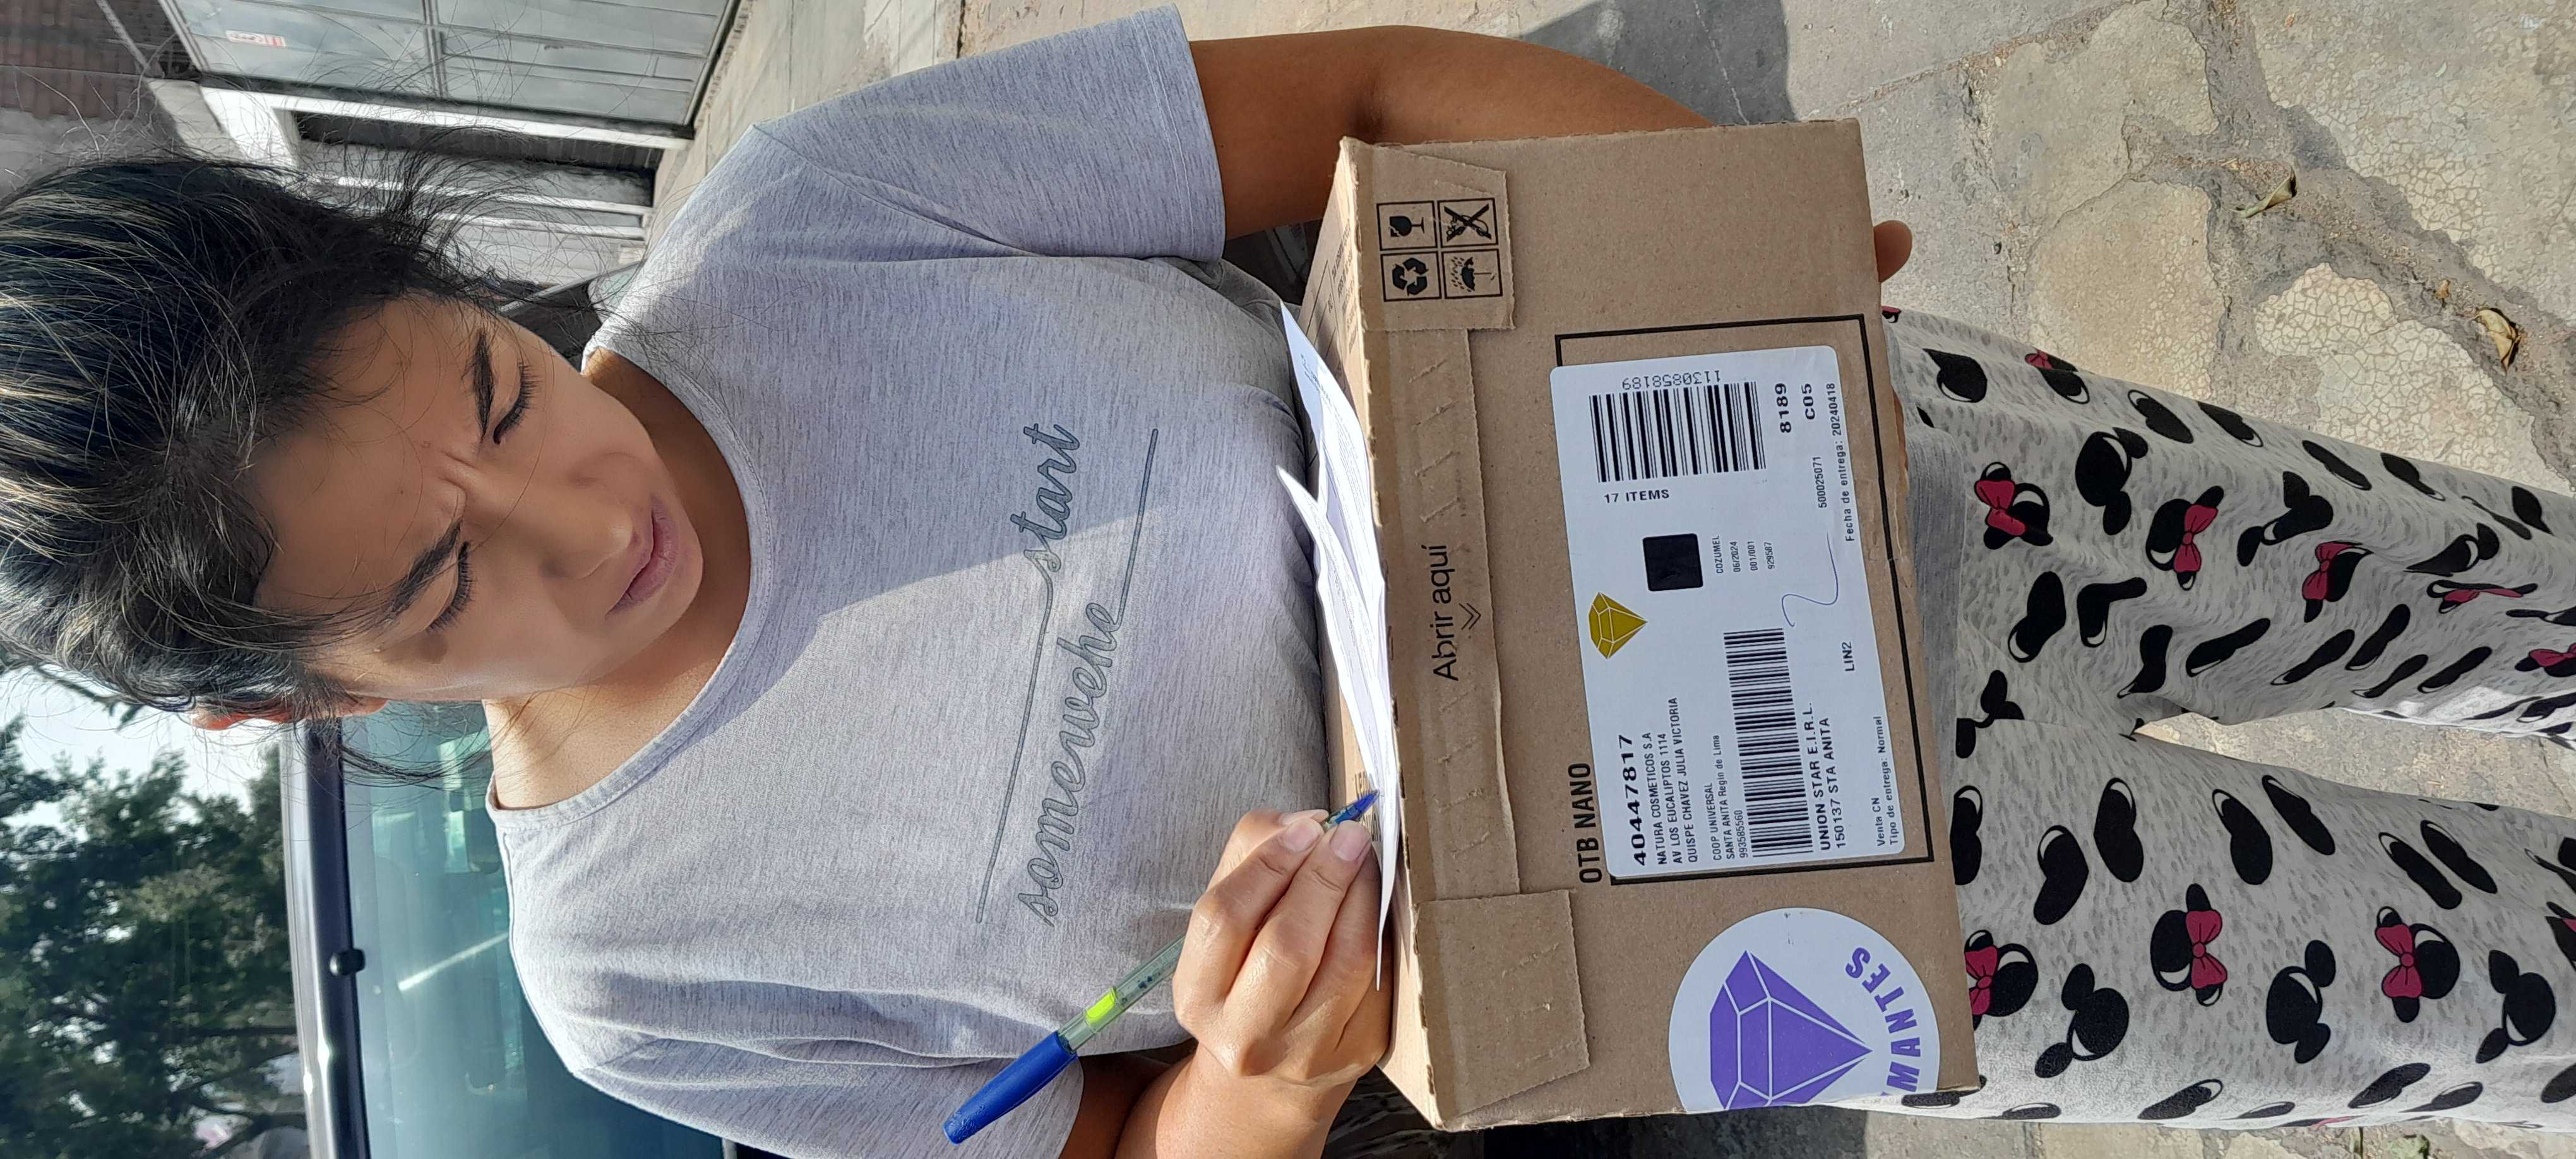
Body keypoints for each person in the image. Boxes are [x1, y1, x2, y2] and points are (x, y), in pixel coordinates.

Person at [1, 6, 2570, 1155]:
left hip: (1890, 478)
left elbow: (1355, 98)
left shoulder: (807, 228)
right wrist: (1265, 1071)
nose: (587, 515)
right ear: (296, 701)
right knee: (2504, 1005)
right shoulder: (642, 966)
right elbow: (1109, 1153)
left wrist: (1695, 233)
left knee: (2493, 586)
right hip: (1838, 914)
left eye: (492, 385)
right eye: (446, 585)